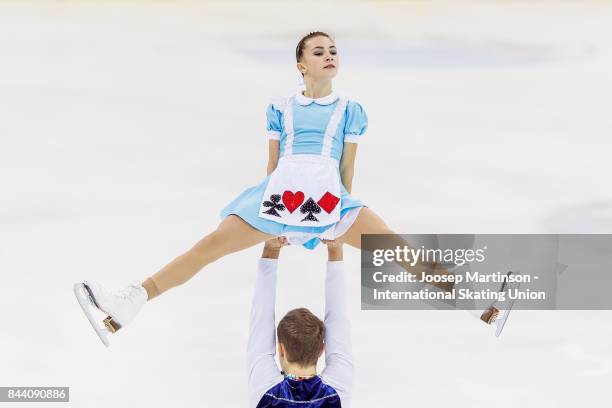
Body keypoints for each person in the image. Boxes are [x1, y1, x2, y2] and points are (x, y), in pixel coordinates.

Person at [73, 31, 502, 347]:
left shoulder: (350, 110)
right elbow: (273, 164)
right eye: (319, 51)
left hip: (329, 200)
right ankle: (131, 300)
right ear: (302, 64)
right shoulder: (280, 107)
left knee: (396, 249)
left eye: (333, 50)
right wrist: (272, 218)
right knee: (207, 247)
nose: (329, 55)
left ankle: (480, 302)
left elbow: (347, 167)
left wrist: (334, 222)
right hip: (279, 198)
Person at [248, 237, 353, 408]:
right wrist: (335, 249)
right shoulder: (337, 391)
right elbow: (338, 319)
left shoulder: (265, 390)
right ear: (321, 350)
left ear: (281, 349)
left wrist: (271, 248)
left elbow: (260, 319)